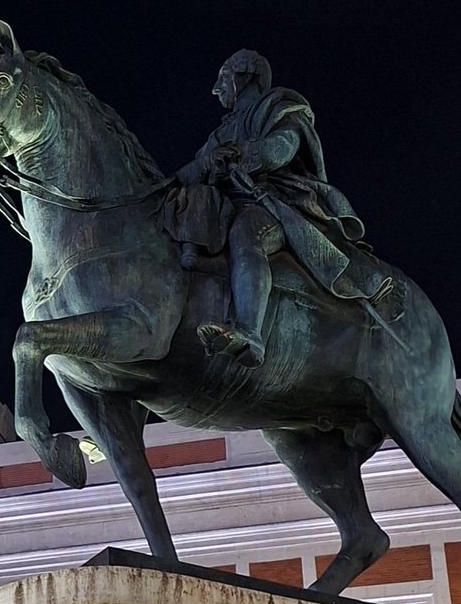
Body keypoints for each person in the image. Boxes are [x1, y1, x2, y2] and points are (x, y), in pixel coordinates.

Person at [166, 50, 392, 368]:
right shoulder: (220, 132)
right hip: (223, 204)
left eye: (223, 79)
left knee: (247, 235)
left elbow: (282, 148)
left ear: (245, 76)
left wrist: (245, 153)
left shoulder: (280, 108)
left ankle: (249, 333)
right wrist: (164, 183)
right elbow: (194, 168)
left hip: (268, 201)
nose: (217, 89)